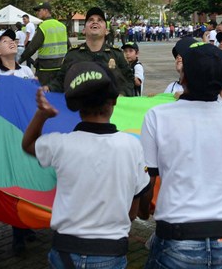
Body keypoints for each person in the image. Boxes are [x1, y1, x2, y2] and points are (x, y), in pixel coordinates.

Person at [23, 62, 149, 268]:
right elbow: (133, 211)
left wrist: (42, 115)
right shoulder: (131, 146)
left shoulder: (60, 144)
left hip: (65, 250)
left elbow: (28, 144)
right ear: (114, 101)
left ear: (76, 107)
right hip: (111, 250)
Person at [140, 43, 222, 269]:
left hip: (177, 237)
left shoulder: (157, 116)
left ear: (183, 79)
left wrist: (143, 212)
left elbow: (147, 180)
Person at [51, 8, 134, 97]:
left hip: (110, 108)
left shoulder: (117, 54)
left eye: (100, 20)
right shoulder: (72, 54)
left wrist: (122, 94)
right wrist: (48, 89)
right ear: (83, 30)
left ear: (106, 31)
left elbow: (129, 81)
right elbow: (60, 82)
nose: (95, 22)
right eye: (91, 20)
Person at [19, 3, 69, 86]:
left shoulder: (43, 26)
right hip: (60, 67)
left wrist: (20, 60)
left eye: (39, 10)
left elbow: (32, 48)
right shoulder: (62, 26)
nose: (37, 13)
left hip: (45, 69)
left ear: (46, 11)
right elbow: (68, 45)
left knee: (42, 93)